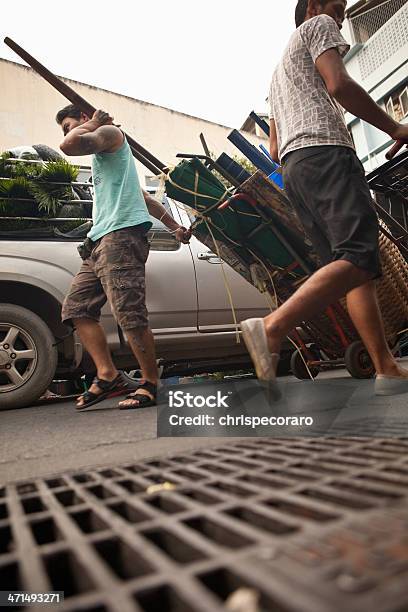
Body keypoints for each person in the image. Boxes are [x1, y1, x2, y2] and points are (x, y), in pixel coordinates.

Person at [240, 0, 408, 396]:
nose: (341, 19)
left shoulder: (278, 76)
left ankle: (386, 368)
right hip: (327, 154)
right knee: (357, 257)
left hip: (297, 171)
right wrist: (394, 127)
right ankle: (271, 327)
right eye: (337, 8)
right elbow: (340, 84)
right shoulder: (317, 25)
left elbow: (275, 149)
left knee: (352, 269)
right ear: (313, 6)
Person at [56, 105, 191, 410]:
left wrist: (93, 123)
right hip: (98, 241)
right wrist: (174, 227)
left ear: (84, 118)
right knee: (76, 307)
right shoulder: (105, 159)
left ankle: (151, 383)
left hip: (121, 236)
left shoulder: (109, 134)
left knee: (128, 313)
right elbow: (143, 199)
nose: (66, 131)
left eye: (69, 123)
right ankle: (107, 374)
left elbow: (68, 146)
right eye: (64, 127)